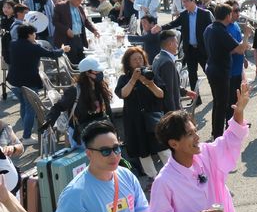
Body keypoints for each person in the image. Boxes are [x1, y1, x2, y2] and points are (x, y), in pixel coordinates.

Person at [114, 47, 169, 182]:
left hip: (152, 119)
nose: (138, 62)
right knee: (142, 151)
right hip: (135, 120)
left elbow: (161, 94)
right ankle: (154, 178)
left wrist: (149, 83)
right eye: (134, 60)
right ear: (128, 63)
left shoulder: (151, 74)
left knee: (162, 147)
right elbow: (122, 94)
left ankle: (173, 173)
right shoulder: (124, 78)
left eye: (140, 58)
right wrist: (133, 80)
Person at [8, 24, 70, 143]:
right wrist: (63, 49)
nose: (35, 35)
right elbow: (52, 54)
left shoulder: (13, 44)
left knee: (24, 105)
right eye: (34, 33)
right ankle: (26, 137)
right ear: (29, 35)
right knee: (30, 109)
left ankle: (27, 130)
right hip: (28, 82)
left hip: (14, 81)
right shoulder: (34, 47)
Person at [203, 4, 252, 140]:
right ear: (227, 16)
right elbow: (241, 48)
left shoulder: (209, 28)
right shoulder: (220, 31)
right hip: (220, 71)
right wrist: (247, 35)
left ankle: (216, 133)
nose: (233, 16)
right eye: (232, 13)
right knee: (222, 105)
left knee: (218, 103)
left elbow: (229, 48)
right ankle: (218, 136)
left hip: (212, 68)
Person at [156, 0, 214, 99]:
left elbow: (213, 30)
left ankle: (216, 94)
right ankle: (196, 99)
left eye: (187, 1)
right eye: (183, 1)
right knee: (192, 75)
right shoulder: (183, 15)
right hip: (190, 49)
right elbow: (172, 24)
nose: (185, 4)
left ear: (193, 1)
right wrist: (161, 27)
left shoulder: (205, 14)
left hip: (203, 49)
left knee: (209, 73)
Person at [45, 58, 113, 147]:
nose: (100, 73)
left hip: (99, 130)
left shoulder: (100, 86)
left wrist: (114, 130)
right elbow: (58, 107)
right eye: (96, 71)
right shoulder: (74, 91)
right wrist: (48, 123)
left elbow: (108, 110)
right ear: (87, 73)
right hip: (81, 135)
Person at [152, 30, 197, 112]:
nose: (177, 45)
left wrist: (185, 92)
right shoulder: (167, 63)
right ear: (170, 44)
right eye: (176, 43)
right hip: (170, 111)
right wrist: (175, 114)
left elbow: (171, 84)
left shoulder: (158, 57)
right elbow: (169, 93)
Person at [52, 0, 100, 65]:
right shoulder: (60, 6)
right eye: (79, 0)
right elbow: (55, 22)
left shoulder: (80, 8)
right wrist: (66, 30)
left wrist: (94, 30)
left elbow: (86, 21)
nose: (80, 3)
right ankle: (75, 76)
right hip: (67, 39)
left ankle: (81, 75)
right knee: (72, 61)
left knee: (81, 60)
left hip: (79, 38)